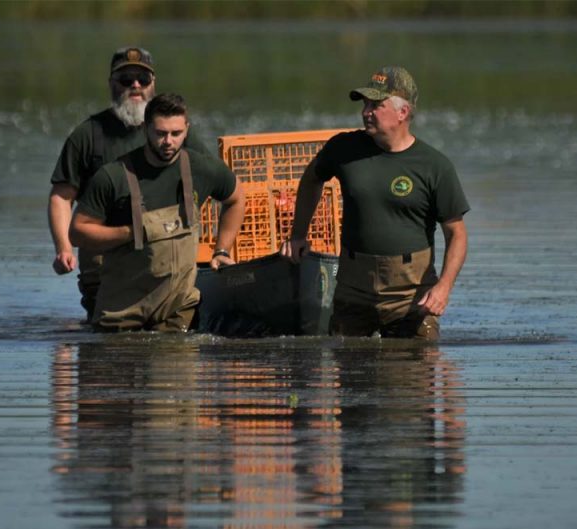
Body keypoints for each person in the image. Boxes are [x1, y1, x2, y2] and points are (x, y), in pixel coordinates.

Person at [280, 66, 470, 340]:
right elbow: (311, 180)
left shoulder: (434, 166)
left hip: (410, 296)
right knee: (349, 373)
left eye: (376, 105)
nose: (366, 111)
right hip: (353, 290)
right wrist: (298, 234)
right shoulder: (343, 148)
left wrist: (444, 287)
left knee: (414, 375)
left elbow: (457, 234)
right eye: (365, 104)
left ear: (403, 112)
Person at [48, 46, 211, 320]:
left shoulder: (176, 131)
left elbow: (212, 185)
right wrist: (63, 248)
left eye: (143, 79)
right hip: (106, 258)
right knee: (111, 340)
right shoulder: (88, 135)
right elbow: (62, 197)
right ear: (112, 84)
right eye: (126, 79)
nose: (135, 85)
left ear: (153, 85)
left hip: (166, 254)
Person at [70, 93, 244, 332]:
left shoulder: (201, 169)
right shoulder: (113, 176)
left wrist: (222, 250)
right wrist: (130, 233)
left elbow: (236, 199)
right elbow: (78, 233)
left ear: (187, 129)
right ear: (145, 129)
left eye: (176, 134)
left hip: (177, 314)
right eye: (160, 133)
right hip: (121, 316)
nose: (168, 142)